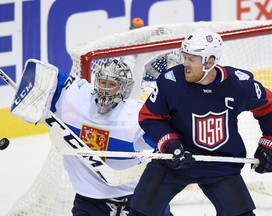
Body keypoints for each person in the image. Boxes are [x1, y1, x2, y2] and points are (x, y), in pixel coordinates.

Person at [128, 29, 272, 216]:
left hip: (220, 163)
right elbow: (149, 116)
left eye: (191, 59)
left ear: (209, 62)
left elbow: (269, 103)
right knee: (140, 213)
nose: (184, 63)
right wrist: (169, 143)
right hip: (176, 161)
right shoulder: (171, 82)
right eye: (184, 56)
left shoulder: (238, 83)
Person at [10, 58, 173, 216]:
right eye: (103, 83)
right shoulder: (76, 97)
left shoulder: (135, 116)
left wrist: (176, 146)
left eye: (112, 85)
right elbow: (46, 74)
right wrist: (28, 95)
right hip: (90, 202)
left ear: (124, 89)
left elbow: (167, 136)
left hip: (139, 200)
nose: (105, 89)